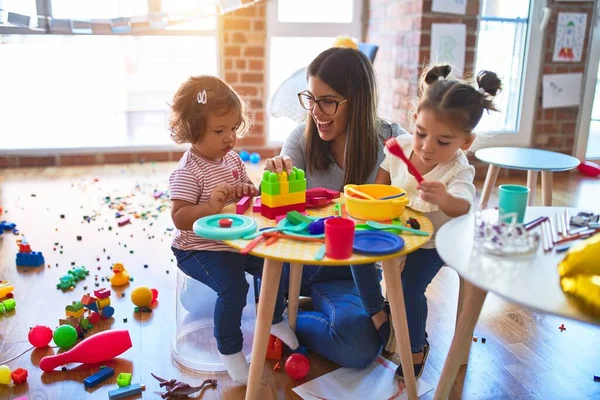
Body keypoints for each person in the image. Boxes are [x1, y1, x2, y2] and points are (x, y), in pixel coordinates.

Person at [351, 64, 502, 380]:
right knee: (356, 252)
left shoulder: (458, 171)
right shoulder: (403, 146)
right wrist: (372, 200)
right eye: (421, 133)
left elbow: (462, 205)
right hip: (396, 229)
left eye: (443, 141)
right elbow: (384, 177)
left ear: (466, 142)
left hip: (436, 242)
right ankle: (377, 312)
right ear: (414, 122)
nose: (427, 146)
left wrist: (444, 198)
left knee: (407, 288)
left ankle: (416, 347)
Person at [264, 47, 409, 368]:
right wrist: (272, 176)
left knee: (357, 348)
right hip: (299, 260)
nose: (315, 111)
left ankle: (275, 319)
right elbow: (272, 208)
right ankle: (268, 315)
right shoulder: (302, 138)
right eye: (310, 98)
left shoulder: (393, 142)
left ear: (357, 100)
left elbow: (412, 195)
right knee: (253, 278)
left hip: (349, 274)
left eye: (327, 101)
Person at [168, 75, 298, 384]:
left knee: (274, 262)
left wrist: (249, 189)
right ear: (192, 129)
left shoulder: (231, 159)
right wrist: (209, 207)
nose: (229, 138)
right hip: (196, 249)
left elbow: (247, 193)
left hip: (233, 243)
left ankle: (275, 317)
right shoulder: (188, 171)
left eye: (233, 128)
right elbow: (180, 217)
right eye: (219, 130)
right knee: (234, 287)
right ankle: (229, 348)